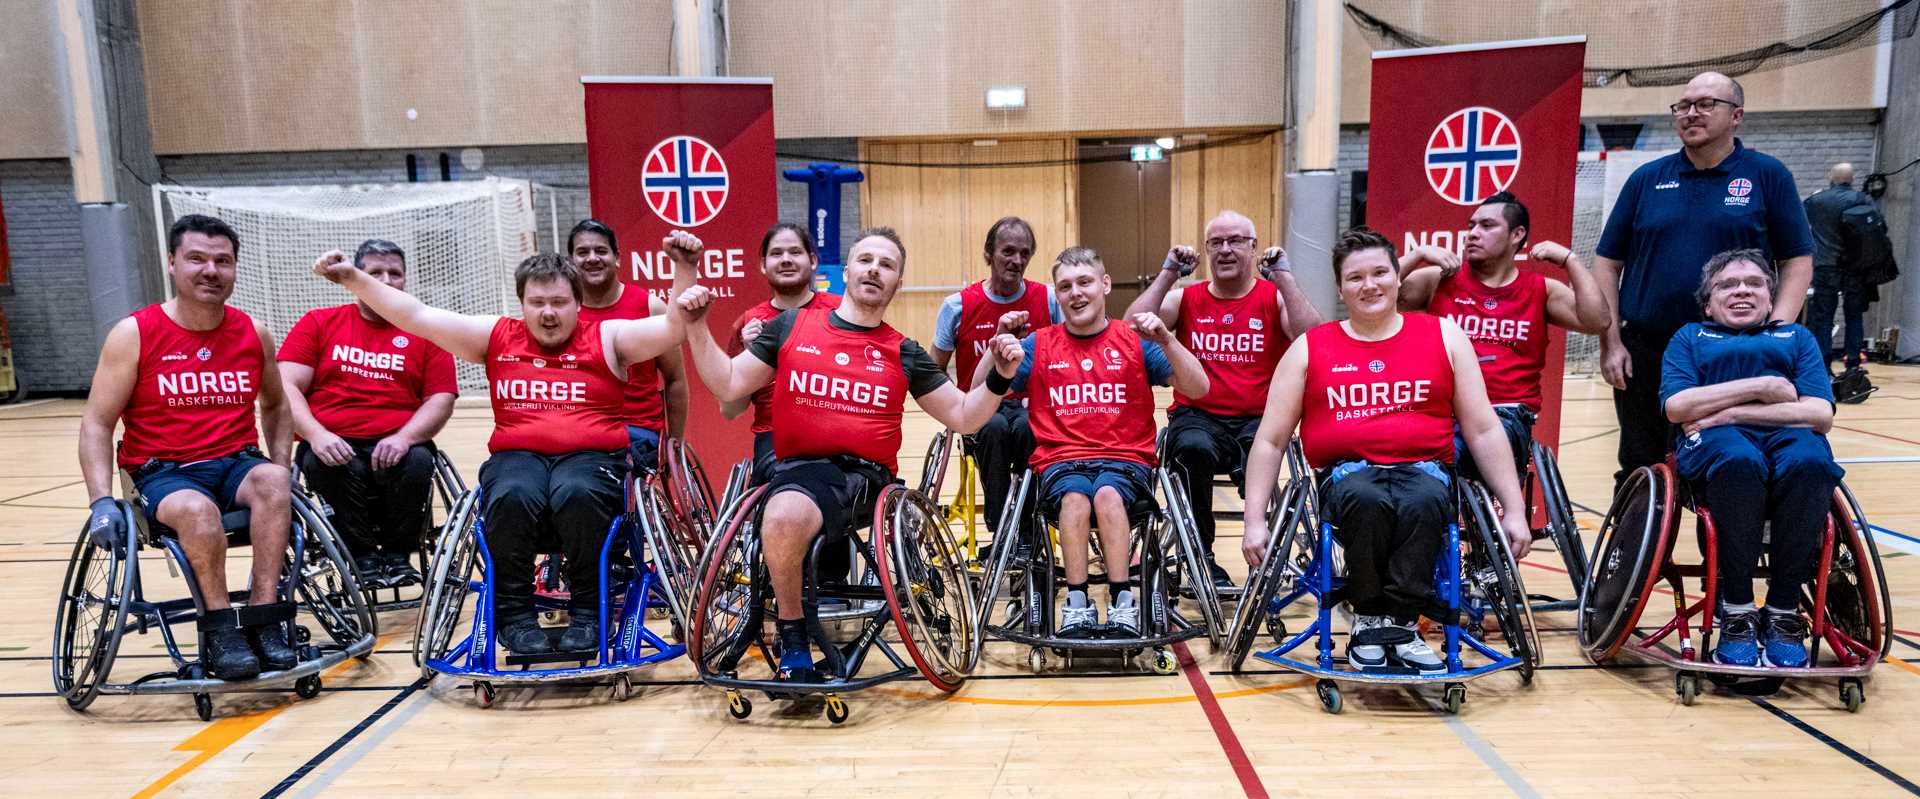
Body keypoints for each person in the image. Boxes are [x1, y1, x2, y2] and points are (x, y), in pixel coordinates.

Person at [312, 235, 698, 656]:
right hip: (518, 457)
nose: (548, 314)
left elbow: (673, 327)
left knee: (578, 491)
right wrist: (352, 278)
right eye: (537, 303)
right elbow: (416, 315)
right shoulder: (495, 336)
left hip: (591, 458)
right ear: (522, 303)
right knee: (512, 493)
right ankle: (515, 615)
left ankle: (589, 611)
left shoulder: (609, 338)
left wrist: (684, 267)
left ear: (576, 303)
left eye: (559, 302)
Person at [679, 227, 1022, 683]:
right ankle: (794, 637)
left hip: (868, 481)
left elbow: (963, 415)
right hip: (803, 470)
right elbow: (727, 383)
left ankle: (804, 628)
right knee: (783, 513)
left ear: (897, 283)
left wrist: (998, 378)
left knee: (788, 511)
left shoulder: (903, 351)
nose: (875, 270)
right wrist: (696, 326)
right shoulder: (791, 326)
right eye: (866, 260)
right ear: (846, 272)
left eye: (887, 265)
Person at [1240, 227, 1531, 675]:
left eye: (1379, 273)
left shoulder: (1444, 336)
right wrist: (1254, 521)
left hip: (1424, 472)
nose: (1369, 285)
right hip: (1347, 476)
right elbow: (1271, 440)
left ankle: (1397, 624)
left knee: (1423, 500)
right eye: (1356, 277)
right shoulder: (1309, 348)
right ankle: (1371, 620)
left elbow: (1484, 430)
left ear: (1399, 278)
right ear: (1340, 288)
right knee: (1368, 499)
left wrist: (1513, 509)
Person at [79, 214, 299, 680]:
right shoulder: (134, 333)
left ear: (235, 269)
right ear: (173, 263)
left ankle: (264, 616)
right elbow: (98, 423)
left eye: (223, 261)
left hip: (235, 463)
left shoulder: (252, 332)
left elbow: (277, 407)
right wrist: (100, 501)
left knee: (276, 481)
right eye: (197, 258)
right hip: (165, 473)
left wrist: (281, 464)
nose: (211, 271)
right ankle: (221, 628)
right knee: (198, 512)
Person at [1593, 72, 1814, 491]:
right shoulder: (1647, 179)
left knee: (1729, 461)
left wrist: (1776, 332)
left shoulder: (1768, 176)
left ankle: (1728, 554)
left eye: (1706, 104)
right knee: (1641, 462)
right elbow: (1606, 261)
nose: (1691, 113)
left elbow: (1798, 260)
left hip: (1733, 350)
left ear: (1737, 116)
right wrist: (1612, 341)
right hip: (1648, 349)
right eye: (1683, 106)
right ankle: (1638, 556)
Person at [991, 247, 1207, 636]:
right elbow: (979, 391)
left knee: (1107, 495)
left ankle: (1123, 600)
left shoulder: (1134, 340)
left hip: (1126, 462)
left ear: (1104, 285)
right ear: (1057, 295)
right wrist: (999, 345)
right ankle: (1076, 603)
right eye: (1065, 286)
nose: (1076, 293)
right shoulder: (1039, 344)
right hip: (1061, 463)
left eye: (1085, 282)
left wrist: (1168, 340)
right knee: (1074, 500)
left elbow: (1199, 386)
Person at [1661, 249, 1841, 668]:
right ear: (1708, 302)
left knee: (1811, 463)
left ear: (1769, 296)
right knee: (1740, 460)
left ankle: (1782, 611)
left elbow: (1819, 414)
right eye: (1728, 284)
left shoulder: (1796, 338)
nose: (1742, 290)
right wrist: (1764, 385)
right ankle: (1738, 608)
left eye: (1754, 283)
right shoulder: (1690, 337)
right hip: (1718, 447)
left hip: (1786, 437)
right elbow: (1678, 407)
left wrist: (1729, 411)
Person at [1126, 210, 1324, 587]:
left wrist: (1284, 278)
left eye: (1235, 241)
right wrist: (1168, 272)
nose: (1226, 249)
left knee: (1260, 457)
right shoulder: (1186, 299)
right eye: (1216, 243)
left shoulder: (1272, 298)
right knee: (1192, 449)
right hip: (1197, 416)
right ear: (1205, 251)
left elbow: (1311, 336)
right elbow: (1131, 326)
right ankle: (1201, 557)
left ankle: (1264, 552)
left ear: (1253, 248)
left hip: (1257, 420)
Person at [1396, 191, 1610, 482]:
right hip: (1440, 411)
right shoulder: (1438, 280)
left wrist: (1570, 261)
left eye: (1486, 226)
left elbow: (1598, 320)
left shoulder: (1541, 290)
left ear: (1516, 234)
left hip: (1504, 414)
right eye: (1471, 226)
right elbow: (1378, 298)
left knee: (1446, 453)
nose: (1472, 234)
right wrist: (1417, 255)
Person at [280, 239, 457, 587]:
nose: (387, 281)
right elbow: (285, 387)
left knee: (419, 462)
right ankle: (360, 559)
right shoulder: (318, 323)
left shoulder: (428, 331)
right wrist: (317, 435)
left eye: (395, 273)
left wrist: (405, 438)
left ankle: (397, 556)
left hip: (399, 442)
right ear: (356, 276)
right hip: (333, 439)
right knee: (322, 462)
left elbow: (440, 399)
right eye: (375, 272)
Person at [930, 216, 1062, 538]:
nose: (1017, 261)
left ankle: (1030, 532)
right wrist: (956, 406)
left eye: (1024, 253)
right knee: (995, 427)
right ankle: (1003, 530)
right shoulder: (957, 306)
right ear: (989, 253)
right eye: (1008, 252)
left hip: (1031, 407)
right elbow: (933, 369)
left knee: (1029, 428)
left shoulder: (1048, 300)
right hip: (980, 411)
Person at [722, 221, 842, 481]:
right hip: (776, 442)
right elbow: (730, 410)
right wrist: (749, 355)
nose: (786, 259)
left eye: (795, 252)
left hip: (840, 434)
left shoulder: (842, 312)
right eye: (776, 253)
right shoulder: (748, 324)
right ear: (763, 265)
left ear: (812, 261)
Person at [570, 219, 689, 472]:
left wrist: (675, 445)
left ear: (617, 258)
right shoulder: (561, 315)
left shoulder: (651, 307)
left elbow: (675, 380)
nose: (592, 258)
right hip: (578, 432)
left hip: (637, 433)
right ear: (571, 261)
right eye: (582, 252)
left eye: (601, 251)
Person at [1803, 163, 1881, 378]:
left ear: (1831, 177)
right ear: (1852, 179)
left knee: (1823, 318)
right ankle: (1854, 365)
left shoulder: (1817, 201)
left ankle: (1823, 366)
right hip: (1855, 268)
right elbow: (1879, 230)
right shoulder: (1864, 200)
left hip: (1826, 266)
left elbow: (1799, 223)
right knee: (1854, 317)